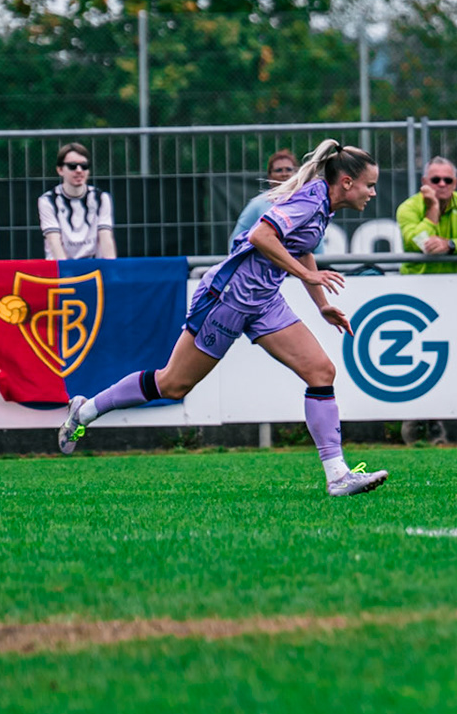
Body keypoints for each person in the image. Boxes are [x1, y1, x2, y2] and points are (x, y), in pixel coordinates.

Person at [57, 140, 389, 498]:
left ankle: (337, 475)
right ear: (346, 182)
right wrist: (308, 277)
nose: (372, 192)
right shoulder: (311, 199)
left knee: (321, 372)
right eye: (370, 184)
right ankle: (85, 411)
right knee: (172, 385)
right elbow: (263, 235)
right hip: (227, 297)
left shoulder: (323, 205)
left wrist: (321, 303)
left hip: (264, 301)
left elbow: (302, 247)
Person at [396, 156, 457, 274]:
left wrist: (450, 245)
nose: (442, 184)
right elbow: (415, 243)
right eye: (436, 180)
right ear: (424, 182)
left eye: (448, 180)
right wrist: (433, 209)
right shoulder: (408, 207)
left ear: (455, 183)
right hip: (417, 282)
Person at [38, 142, 117, 260]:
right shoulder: (47, 201)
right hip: (61, 268)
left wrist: (112, 273)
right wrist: (66, 275)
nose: (79, 170)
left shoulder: (101, 198)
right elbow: (54, 241)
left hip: (93, 267)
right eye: (72, 166)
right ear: (60, 170)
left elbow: (105, 237)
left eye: (84, 166)